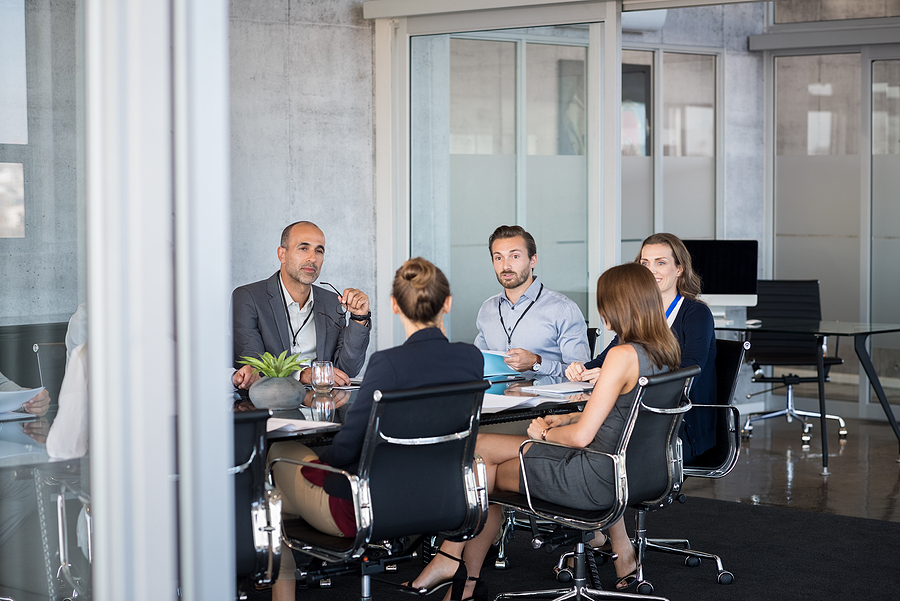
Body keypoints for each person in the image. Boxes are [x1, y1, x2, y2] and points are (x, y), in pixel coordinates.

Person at [409, 263, 682, 600]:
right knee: (478, 453)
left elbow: (583, 438)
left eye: (604, 302)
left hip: (591, 475)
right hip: (633, 472)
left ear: (620, 304)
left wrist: (544, 434)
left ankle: (456, 571)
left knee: (481, 469)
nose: (601, 312)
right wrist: (563, 421)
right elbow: (619, 415)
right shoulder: (665, 351)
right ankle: (456, 572)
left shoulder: (622, 355)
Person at [267, 257, 483, 601]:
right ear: (448, 303)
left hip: (369, 510)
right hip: (443, 504)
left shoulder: (386, 365)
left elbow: (347, 450)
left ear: (395, 306)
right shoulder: (471, 358)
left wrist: (319, 464)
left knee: (276, 459)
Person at [566, 232, 717, 462]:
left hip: (680, 424)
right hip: (639, 418)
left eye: (661, 263)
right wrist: (581, 370)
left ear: (680, 269)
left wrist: (614, 380)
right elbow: (604, 361)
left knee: (581, 442)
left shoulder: (695, 313)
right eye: (645, 263)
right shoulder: (640, 316)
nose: (651, 270)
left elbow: (688, 374)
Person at [231, 221, 371, 389]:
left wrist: (359, 318)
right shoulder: (248, 298)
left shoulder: (331, 301)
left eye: (319, 250)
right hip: (270, 406)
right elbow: (254, 369)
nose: (313, 258)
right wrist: (301, 374)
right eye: (303, 248)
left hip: (322, 406)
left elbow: (347, 371)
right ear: (282, 254)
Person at [474, 225, 590, 377]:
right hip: (495, 397)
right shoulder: (487, 309)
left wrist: (537, 363)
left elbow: (582, 374)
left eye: (515, 256)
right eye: (498, 258)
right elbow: (476, 365)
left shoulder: (563, 309)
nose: (505, 266)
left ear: (532, 260)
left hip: (546, 400)